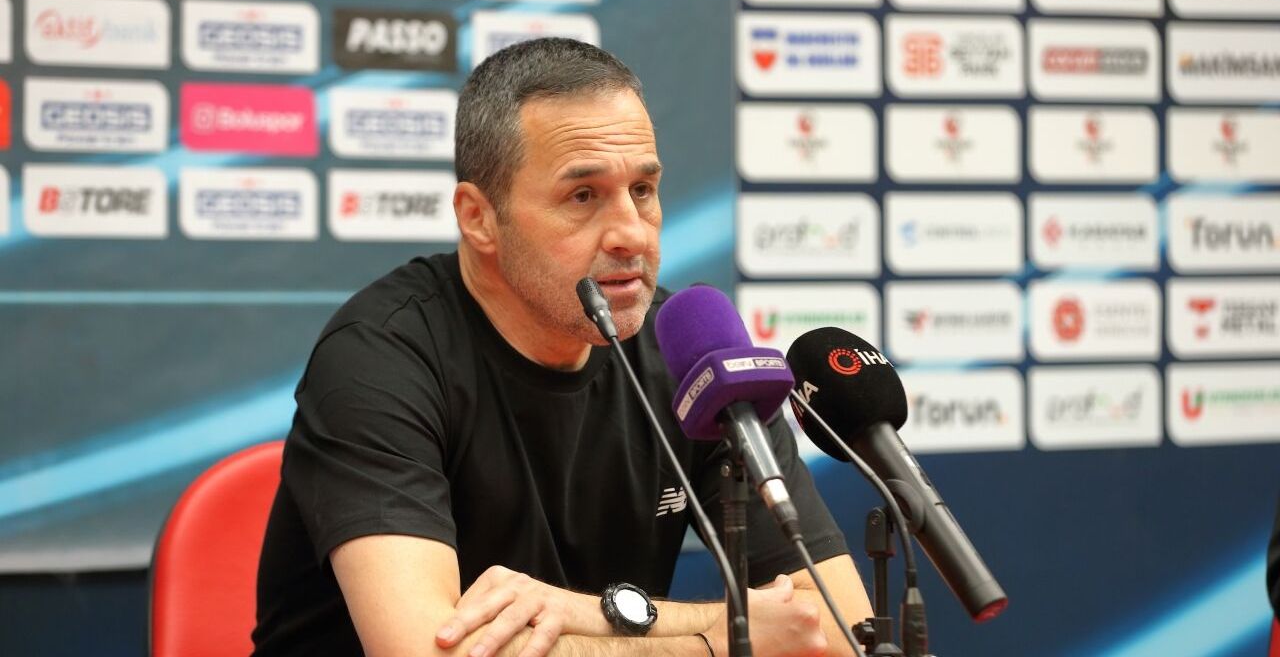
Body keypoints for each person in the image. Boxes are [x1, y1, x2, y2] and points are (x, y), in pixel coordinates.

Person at [252, 37, 873, 657]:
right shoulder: (377, 359)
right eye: (583, 196)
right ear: (478, 217)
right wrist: (714, 642)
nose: (632, 234)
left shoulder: (692, 359)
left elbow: (840, 629)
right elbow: (427, 652)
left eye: (643, 190)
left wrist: (593, 614)